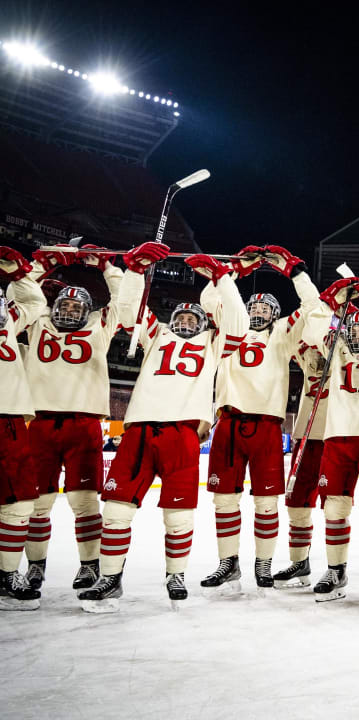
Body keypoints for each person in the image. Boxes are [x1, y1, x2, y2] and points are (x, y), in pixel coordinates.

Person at [79, 248, 248, 612]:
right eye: (182, 315)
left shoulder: (215, 343)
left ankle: (176, 574)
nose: (187, 320)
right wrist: (135, 270)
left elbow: (239, 322)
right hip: (139, 430)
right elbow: (129, 312)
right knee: (117, 510)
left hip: (181, 433)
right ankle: (110, 576)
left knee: (179, 514)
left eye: (193, 317)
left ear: (203, 323)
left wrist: (222, 277)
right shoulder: (156, 335)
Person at [198, 245, 319, 592]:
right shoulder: (230, 326)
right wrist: (235, 269)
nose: (259, 311)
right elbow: (210, 298)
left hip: (266, 425)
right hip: (230, 422)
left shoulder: (283, 332)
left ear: (275, 313)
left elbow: (311, 307)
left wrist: (295, 272)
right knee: (224, 499)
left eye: (267, 307)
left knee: (266, 503)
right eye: (255, 306)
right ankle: (228, 562)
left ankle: (263, 564)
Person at [17, 243, 131, 593]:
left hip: (83, 423)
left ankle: (89, 565)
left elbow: (126, 302)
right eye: (63, 304)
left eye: (76, 305)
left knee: (85, 502)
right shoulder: (38, 320)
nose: (68, 309)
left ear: (88, 309)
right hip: (39, 422)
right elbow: (22, 295)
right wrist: (41, 263)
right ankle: (36, 567)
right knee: (37, 505)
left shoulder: (100, 324)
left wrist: (107, 265)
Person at [300, 278, 359, 603]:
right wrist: (332, 298)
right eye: (354, 330)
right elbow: (312, 331)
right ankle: (336, 569)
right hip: (338, 438)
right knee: (334, 508)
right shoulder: (336, 346)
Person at [0, 248, 44, 610]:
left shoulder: (8, 324)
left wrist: (20, 273)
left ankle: (5, 575)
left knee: (20, 504)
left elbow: (34, 301)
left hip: (12, 421)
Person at [274, 344, 329, 588]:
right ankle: (299, 562)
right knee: (296, 503)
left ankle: (339, 568)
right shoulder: (307, 355)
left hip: (337, 436)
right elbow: (300, 335)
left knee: (337, 507)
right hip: (307, 438)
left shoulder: (347, 352)